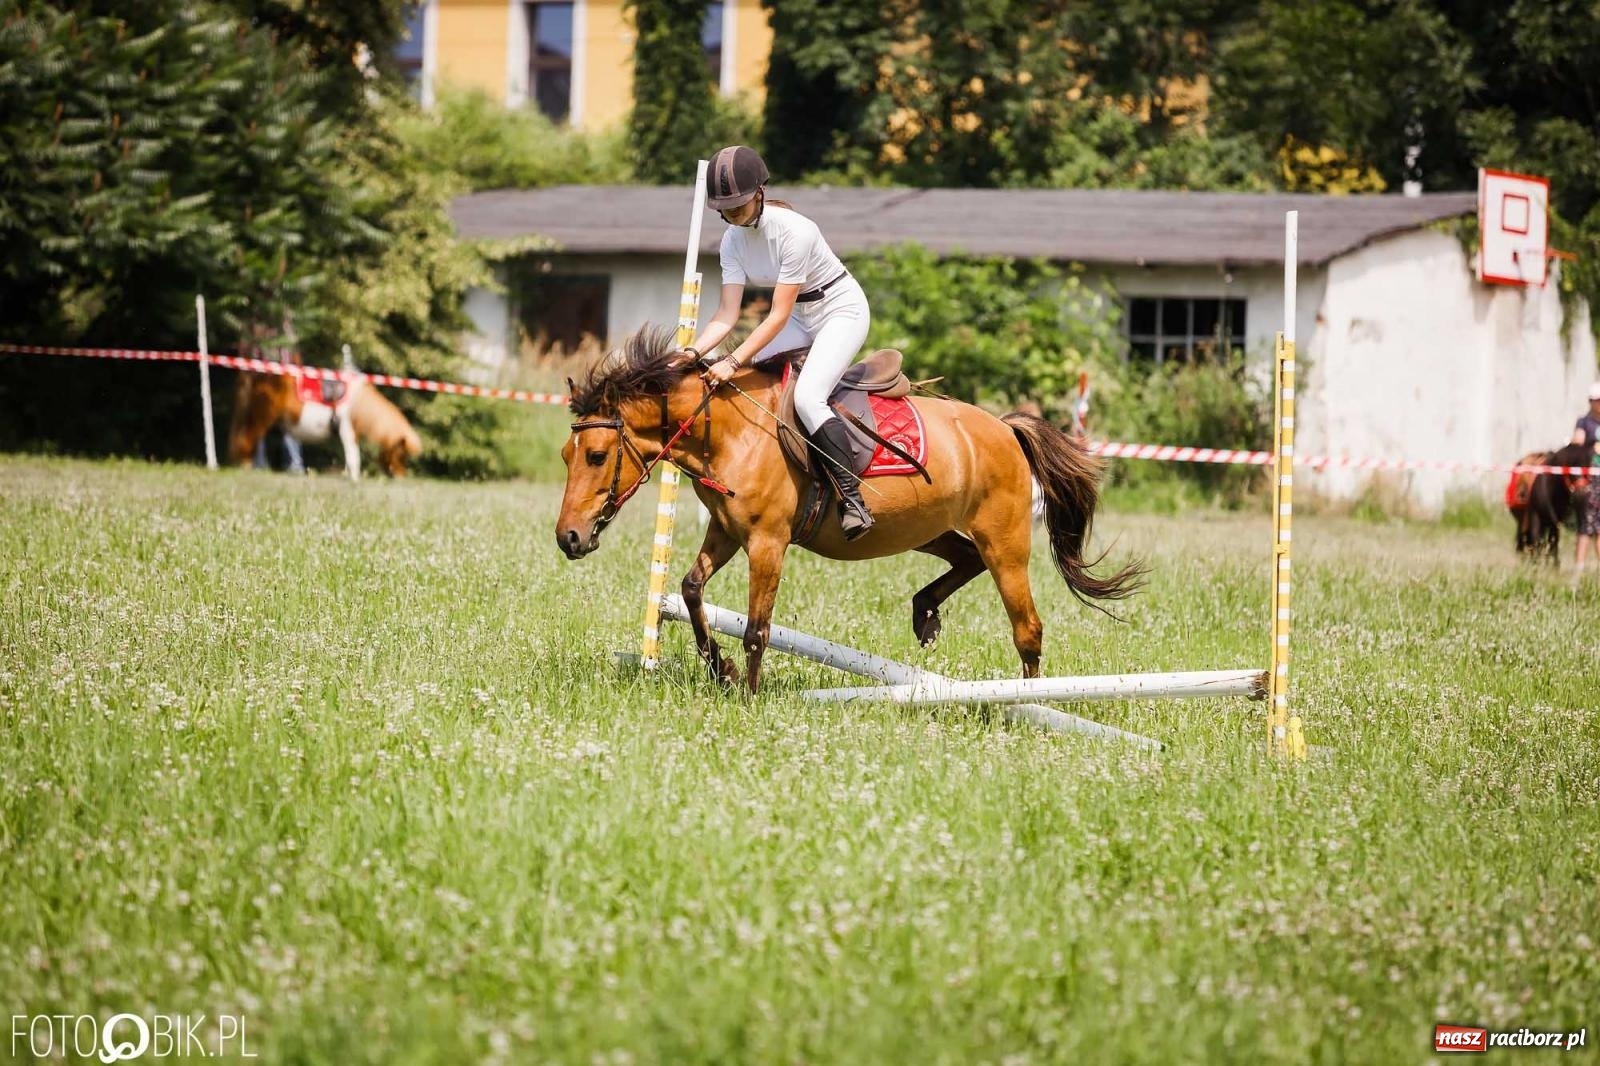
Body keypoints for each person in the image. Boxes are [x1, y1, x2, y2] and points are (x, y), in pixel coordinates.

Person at [686, 145, 874, 540]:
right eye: (726, 210)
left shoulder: (797, 231)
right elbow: (726, 315)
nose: (733, 217)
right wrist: (690, 353)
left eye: (738, 206)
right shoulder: (731, 242)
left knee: (807, 397)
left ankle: (851, 497)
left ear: (760, 192)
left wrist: (733, 360)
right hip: (801, 318)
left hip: (840, 310)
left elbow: (777, 315)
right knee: (746, 379)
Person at [1572, 381, 1600, 576]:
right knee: (1586, 525)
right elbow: (1578, 441)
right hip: (1591, 479)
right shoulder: (1584, 422)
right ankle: (1579, 570)